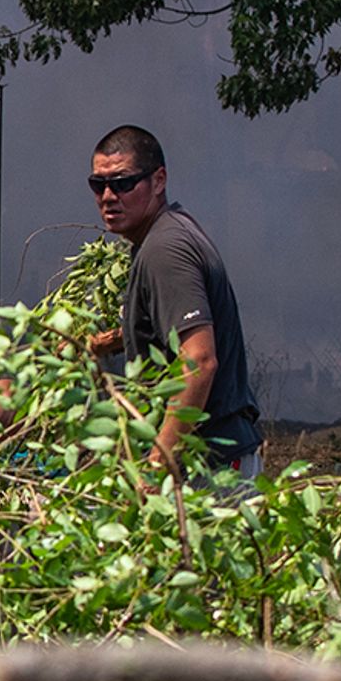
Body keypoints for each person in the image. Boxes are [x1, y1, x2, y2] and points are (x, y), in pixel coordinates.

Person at [82, 125, 261, 479]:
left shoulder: (165, 250)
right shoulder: (168, 233)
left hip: (210, 468)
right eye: (98, 185)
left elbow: (199, 361)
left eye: (122, 183)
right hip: (210, 460)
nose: (107, 195)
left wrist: (156, 463)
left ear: (159, 180)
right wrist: (104, 343)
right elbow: (174, 329)